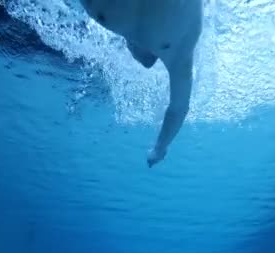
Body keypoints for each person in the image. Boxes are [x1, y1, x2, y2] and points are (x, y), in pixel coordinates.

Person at [79, 0, 203, 167]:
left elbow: (179, 108)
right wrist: (159, 149)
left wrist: (160, 149)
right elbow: (178, 108)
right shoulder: (179, 45)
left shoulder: (179, 44)